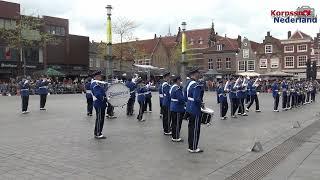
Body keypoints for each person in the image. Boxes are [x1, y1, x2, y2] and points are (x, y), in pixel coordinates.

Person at [186, 68, 204, 153]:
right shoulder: (196, 85)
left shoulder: (188, 83)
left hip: (189, 107)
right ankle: (193, 147)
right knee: (195, 128)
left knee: (191, 128)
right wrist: (202, 104)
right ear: (194, 74)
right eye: (197, 73)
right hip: (195, 109)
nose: (198, 75)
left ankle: (190, 146)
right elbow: (197, 98)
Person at [90, 70, 107, 139]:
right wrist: (105, 98)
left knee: (100, 118)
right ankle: (97, 133)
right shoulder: (95, 84)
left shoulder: (97, 83)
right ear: (97, 76)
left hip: (100, 103)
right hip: (99, 103)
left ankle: (98, 132)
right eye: (100, 76)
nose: (101, 77)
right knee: (100, 119)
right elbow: (98, 94)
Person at [169, 75, 185, 142]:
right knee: (177, 123)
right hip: (177, 107)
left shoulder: (172, 87)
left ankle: (174, 135)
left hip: (173, 106)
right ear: (177, 80)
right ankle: (176, 137)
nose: (180, 81)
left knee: (174, 122)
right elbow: (181, 99)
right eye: (180, 80)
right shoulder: (177, 88)